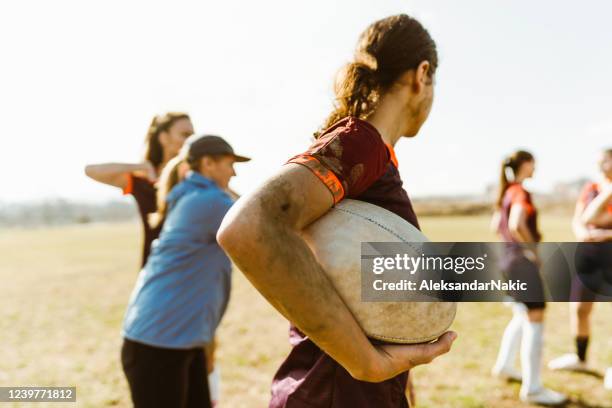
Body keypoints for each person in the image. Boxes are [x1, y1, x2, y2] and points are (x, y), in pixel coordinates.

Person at [217, 14, 457, 408]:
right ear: (422, 75)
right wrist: (366, 363)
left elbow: (370, 281)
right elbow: (249, 225)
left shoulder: (374, 155)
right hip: (330, 395)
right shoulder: (360, 143)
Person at [121, 135, 250, 408]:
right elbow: (261, 221)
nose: (234, 172)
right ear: (208, 163)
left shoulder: (194, 196)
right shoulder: (209, 201)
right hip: (158, 345)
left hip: (175, 340)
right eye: (229, 164)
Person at [491, 150, 567, 405]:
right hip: (521, 261)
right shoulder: (520, 192)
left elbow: (496, 226)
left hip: (508, 259)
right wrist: (532, 251)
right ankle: (533, 388)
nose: (536, 168)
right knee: (535, 318)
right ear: (525, 164)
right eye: (534, 163)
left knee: (521, 314)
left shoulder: (506, 191)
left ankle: (504, 366)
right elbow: (515, 224)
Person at [85, 112, 194, 266]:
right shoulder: (143, 180)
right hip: (154, 267)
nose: (191, 141)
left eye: (193, 136)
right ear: (163, 138)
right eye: (185, 135)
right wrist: (141, 166)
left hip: (192, 267)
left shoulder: (197, 179)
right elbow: (90, 170)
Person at [548, 147, 612, 390]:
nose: (599, 165)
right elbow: (580, 218)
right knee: (579, 310)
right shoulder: (591, 187)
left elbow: (596, 218)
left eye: (604, 160)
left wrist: (604, 233)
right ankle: (581, 358)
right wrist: (582, 232)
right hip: (588, 258)